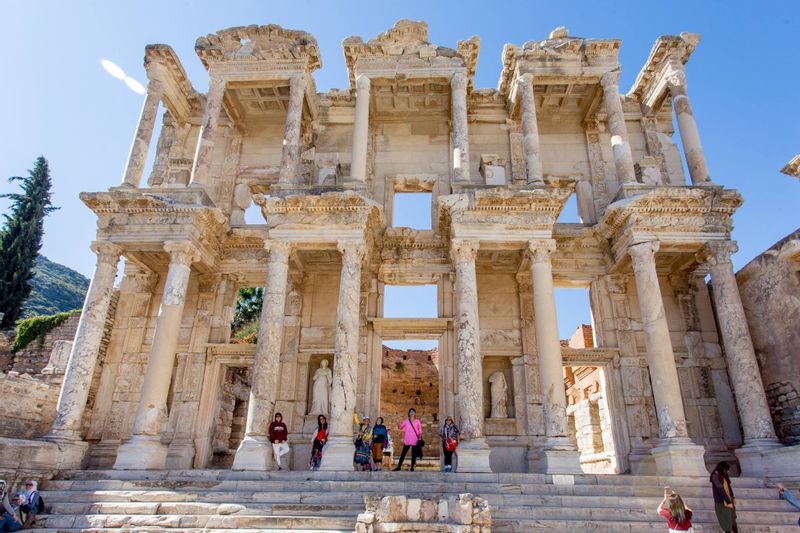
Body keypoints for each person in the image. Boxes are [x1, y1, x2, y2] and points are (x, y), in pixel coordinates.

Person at [710, 461, 737, 533]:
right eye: (726, 469)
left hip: (729, 500)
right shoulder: (715, 476)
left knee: (733, 519)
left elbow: (729, 487)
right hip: (721, 503)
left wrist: (732, 498)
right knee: (726, 521)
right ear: (722, 468)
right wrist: (728, 502)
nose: (727, 471)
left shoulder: (723, 475)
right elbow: (720, 489)